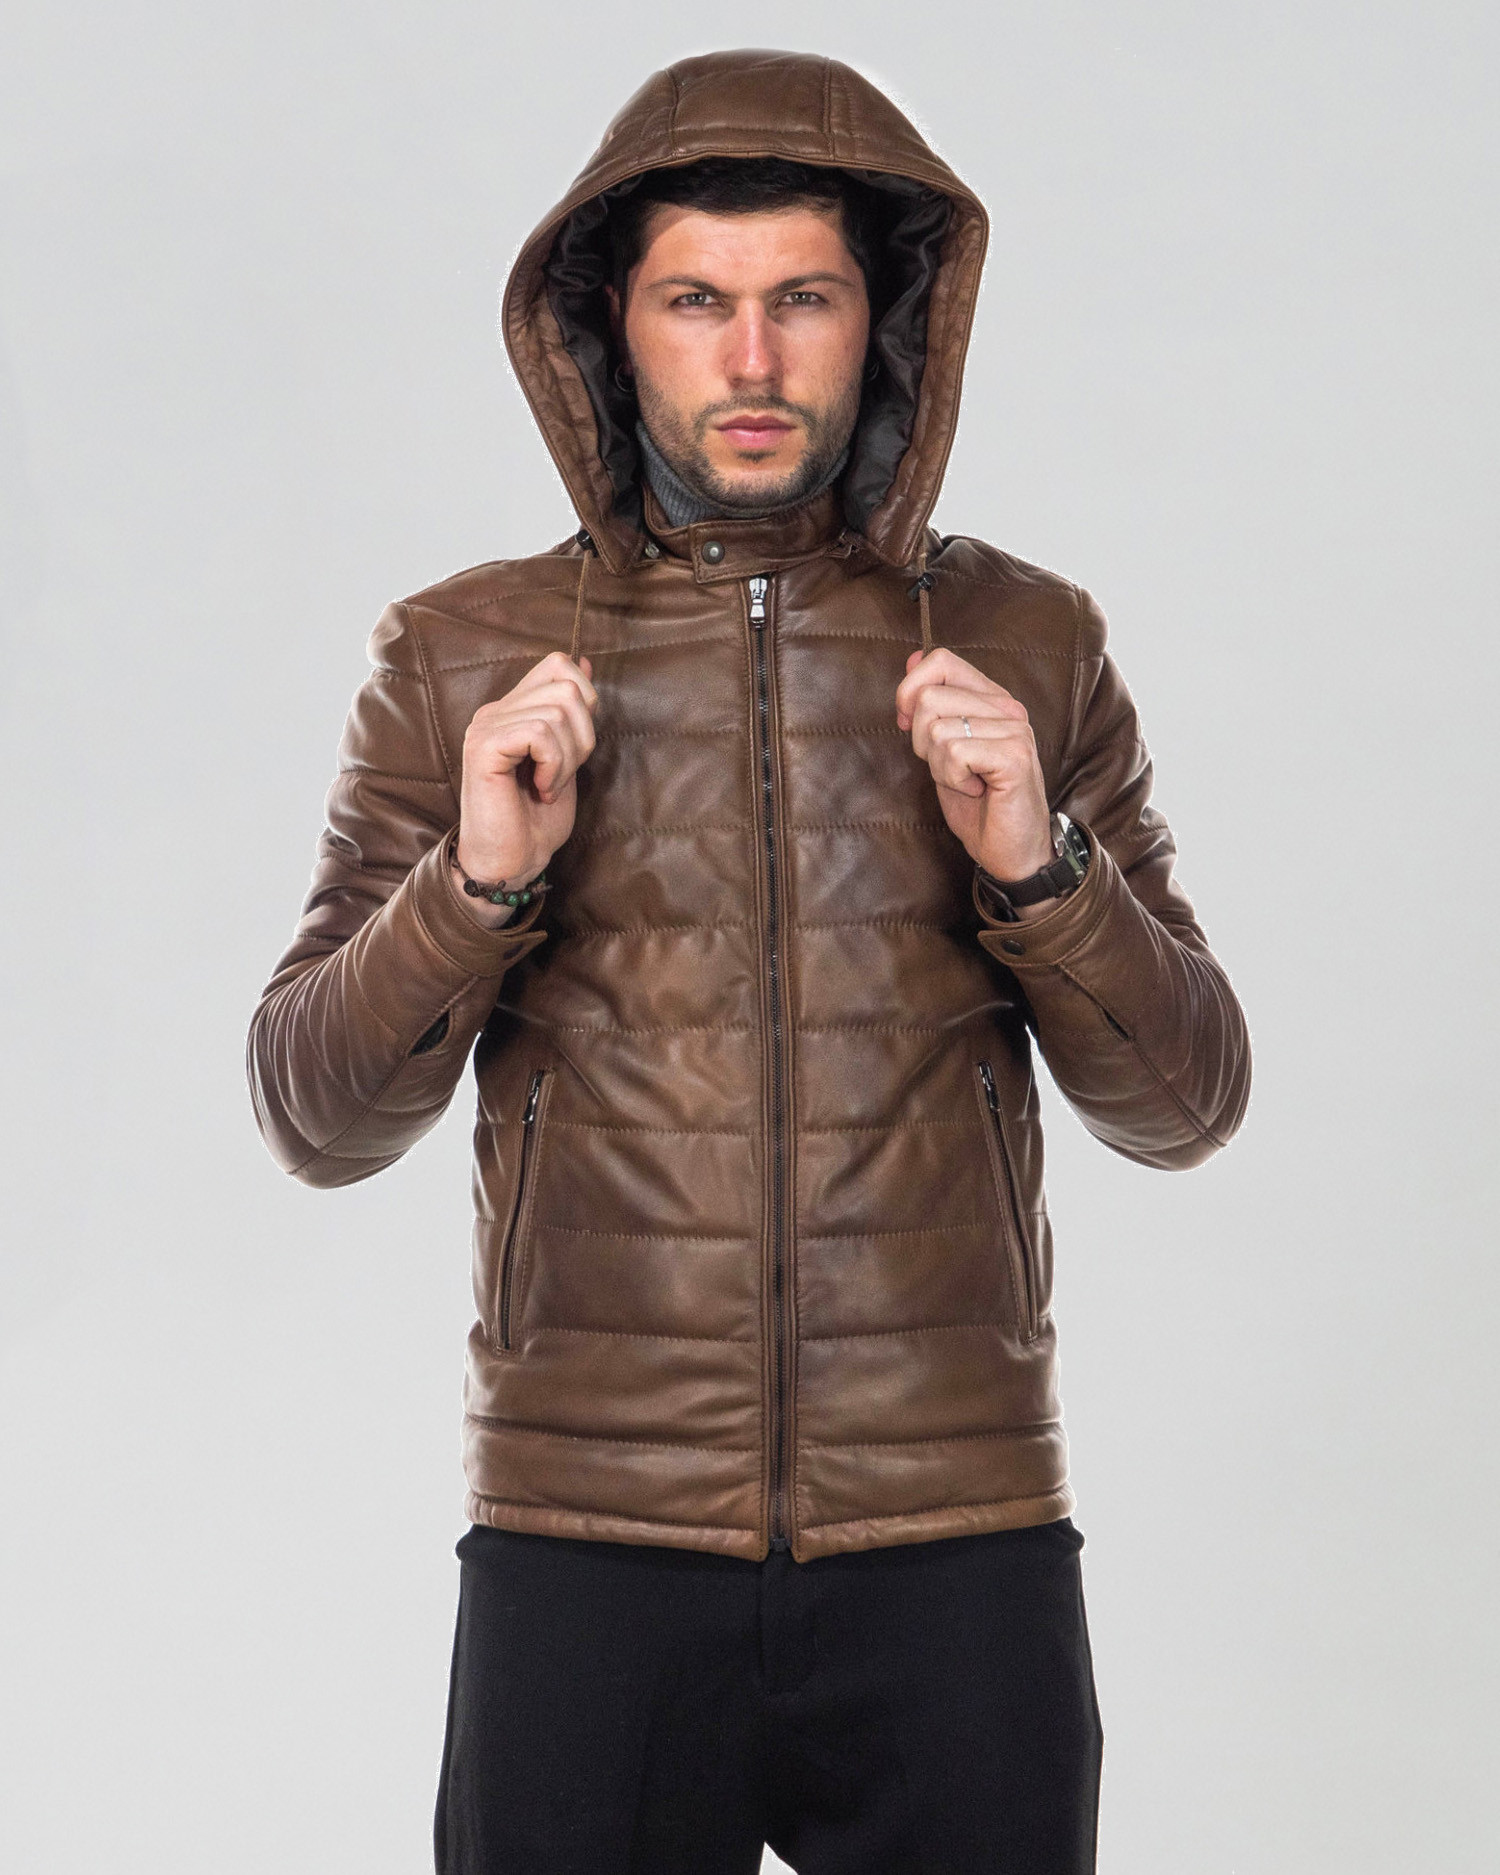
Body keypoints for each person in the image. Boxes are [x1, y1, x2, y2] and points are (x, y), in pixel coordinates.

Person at [248, 47, 1252, 1875]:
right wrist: (476, 884)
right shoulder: (461, 654)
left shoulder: (1027, 640)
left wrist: (1040, 864)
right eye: (697, 302)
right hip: (588, 1534)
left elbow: (1186, 1104)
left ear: (890, 319)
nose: (756, 359)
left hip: (955, 1531)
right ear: (608, 327)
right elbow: (315, 1117)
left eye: (806, 298)